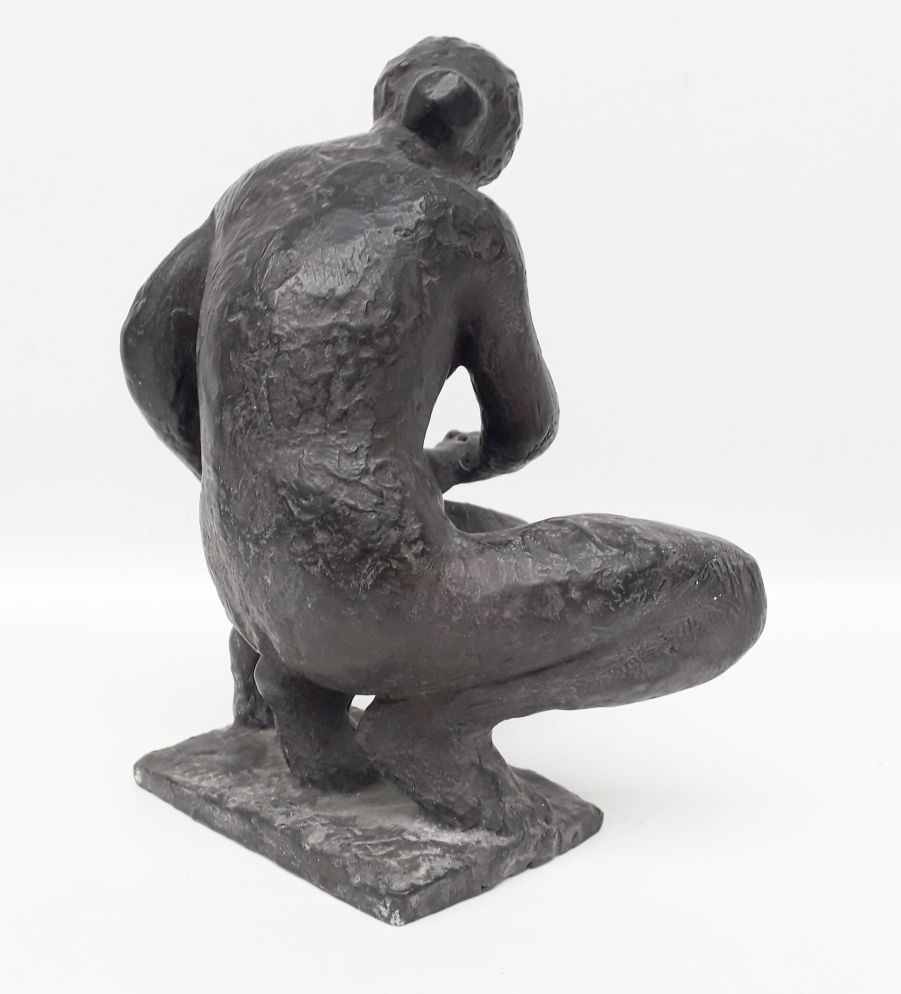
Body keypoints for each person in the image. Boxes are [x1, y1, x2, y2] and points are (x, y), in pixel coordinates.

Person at [121, 37, 766, 834]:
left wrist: (240, 480)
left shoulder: (267, 181)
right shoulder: (466, 223)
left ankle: (300, 690)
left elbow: (146, 344)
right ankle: (429, 727)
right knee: (723, 590)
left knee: (497, 535)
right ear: (489, 155)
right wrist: (460, 457)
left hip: (246, 575)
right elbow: (525, 427)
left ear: (386, 95)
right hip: (368, 598)